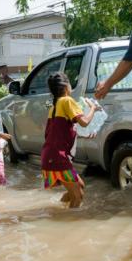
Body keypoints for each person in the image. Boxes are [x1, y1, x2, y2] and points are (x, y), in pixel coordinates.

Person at [41, 72, 100, 208]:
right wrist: (92, 108)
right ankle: (68, 222)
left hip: (50, 156)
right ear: (66, 86)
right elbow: (84, 122)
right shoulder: (67, 100)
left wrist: (82, 136)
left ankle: (58, 210)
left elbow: (58, 133)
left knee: (80, 187)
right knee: (78, 196)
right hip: (58, 157)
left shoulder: (55, 106)